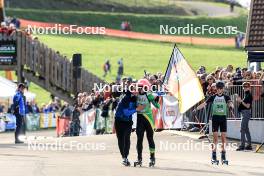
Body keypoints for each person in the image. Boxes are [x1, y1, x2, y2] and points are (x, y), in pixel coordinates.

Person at [195, 81, 234, 164]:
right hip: (215, 118)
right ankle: (214, 155)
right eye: (218, 88)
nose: (219, 90)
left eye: (221, 88)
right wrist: (196, 109)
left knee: (224, 138)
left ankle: (223, 155)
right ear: (216, 89)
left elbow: (231, 103)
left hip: (223, 118)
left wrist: (231, 107)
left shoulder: (226, 97)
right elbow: (204, 104)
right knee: (215, 138)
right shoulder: (213, 97)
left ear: (223, 89)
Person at [134, 79, 160, 167]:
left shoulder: (149, 95)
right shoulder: (135, 95)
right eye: (138, 87)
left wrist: (157, 98)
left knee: (150, 139)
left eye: (140, 87)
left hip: (148, 120)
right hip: (140, 119)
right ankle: (139, 159)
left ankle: (152, 158)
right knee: (139, 139)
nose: (139, 89)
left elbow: (157, 106)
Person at [114, 86, 140, 166]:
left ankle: (125, 157)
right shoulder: (126, 98)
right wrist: (137, 109)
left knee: (127, 139)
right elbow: (126, 112)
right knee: (121, 140)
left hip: (128, 122)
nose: (137, 92)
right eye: (135, 91)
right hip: (119, 121)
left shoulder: (136, 98)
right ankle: (124, 157)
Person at [236, 82, 253, 151]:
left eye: (246, 86)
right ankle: (249, 145)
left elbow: (248, 106)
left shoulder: (249, 95)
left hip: (246, 113)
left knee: (242, 129)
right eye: (243, 86)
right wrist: (240, 101)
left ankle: (242, 145)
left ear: (249, 87)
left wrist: (241, 101)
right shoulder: (246, 94)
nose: (244, 88)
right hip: (244, 113)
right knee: (246, 129)